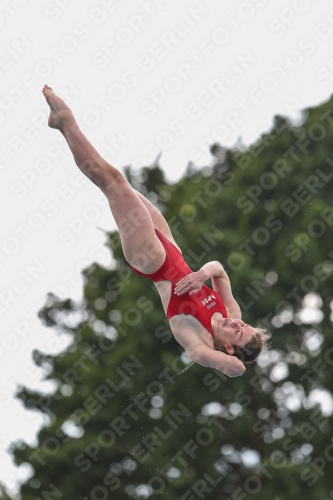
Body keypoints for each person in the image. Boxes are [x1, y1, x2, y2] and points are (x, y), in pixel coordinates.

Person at [42, 85, 270, 378]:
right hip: (170, 245)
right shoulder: (231, 313)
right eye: (244, 325)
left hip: (152, 260)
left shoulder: (199, 344)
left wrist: (227, 353)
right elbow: (220, 271)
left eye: (238, 334)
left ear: (227, 348)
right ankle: (63, 126)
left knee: (111, 182)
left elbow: (237, 369)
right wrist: (202, 275)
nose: (238, 325)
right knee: (118, 183)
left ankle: (65, 121)